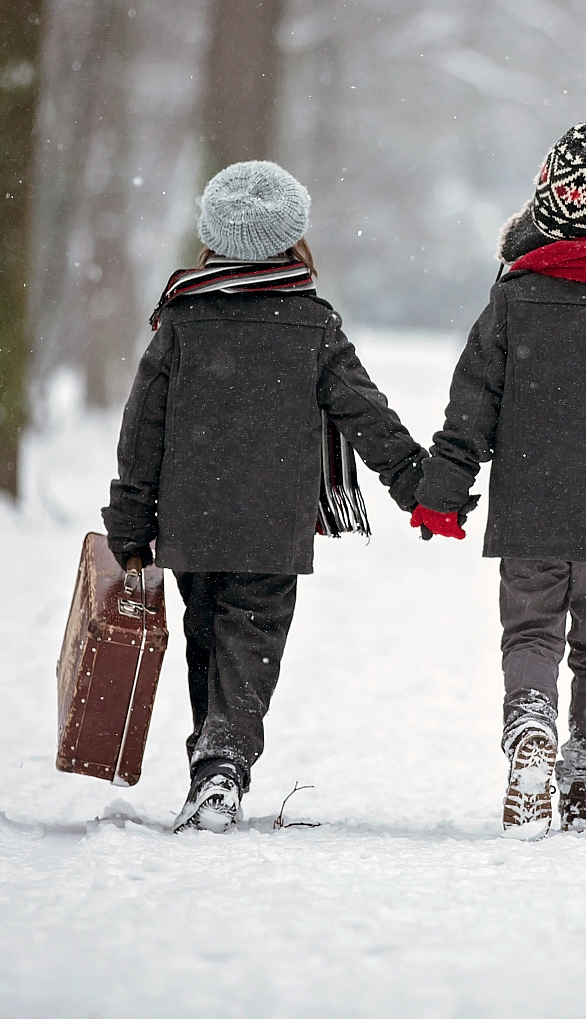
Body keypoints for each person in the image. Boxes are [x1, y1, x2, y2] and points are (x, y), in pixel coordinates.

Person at [102, 160, 426, 834]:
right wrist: (418, 484)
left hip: (192, 521)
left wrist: (130, 524)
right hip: (273, 523)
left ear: (213, 235)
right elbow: (365, 413)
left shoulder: (182, 317)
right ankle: (222, 765)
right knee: (250, 638)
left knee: (206, 635)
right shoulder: (311, 321)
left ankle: (212, 764)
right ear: (291, 236)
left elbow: (142, 432)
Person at [412, 124, 586, 838]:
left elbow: (469, 409)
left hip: (531, 505)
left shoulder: (514, 298)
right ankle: (583, 784)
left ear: (547, 204)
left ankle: (531, 727)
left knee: (531, 631)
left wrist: (442, 492)